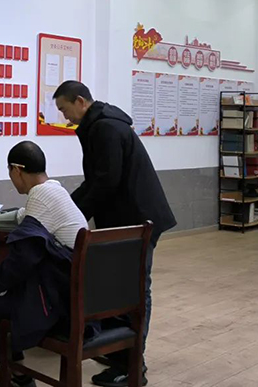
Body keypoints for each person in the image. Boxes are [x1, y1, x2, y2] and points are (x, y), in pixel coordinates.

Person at [53, 81, 177, 387]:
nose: (65, 117)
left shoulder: (105, 128)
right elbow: (97, 180)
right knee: (117, 286)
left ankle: (133, 366)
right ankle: (118, 351)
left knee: (134, 290)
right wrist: (68, 208)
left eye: (65, 110)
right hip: (128, 220)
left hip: (138, 221)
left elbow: (106, 182)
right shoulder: (101, 124)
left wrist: (72, 214)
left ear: (80, 101)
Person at [0, 141, 88, 387]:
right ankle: (18, 374)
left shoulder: (40, 195)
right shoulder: (55, 190)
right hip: (74, 299)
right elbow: (16, 218)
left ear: (16, 170)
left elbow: (23, 259)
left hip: (57, 306)